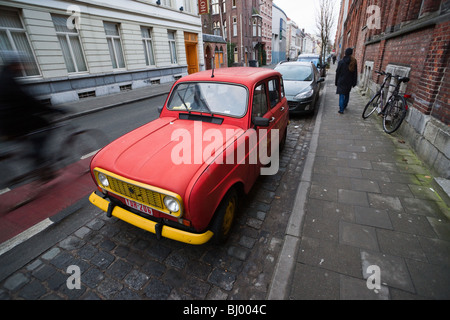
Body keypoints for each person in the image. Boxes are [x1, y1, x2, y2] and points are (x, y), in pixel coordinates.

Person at [0, 51, 63, 181]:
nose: (23, 67)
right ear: (15, 65)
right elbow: (28, 100)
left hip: (8, 120)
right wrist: (54, 110)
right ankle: (39, 163)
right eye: (21, 65)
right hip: (13, 121)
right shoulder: (10, 80)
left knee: (34, 131)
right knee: (45, 126)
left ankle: (35, 157)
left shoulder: (5, 77)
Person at [335, 47, 358, 114]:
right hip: (349, 82)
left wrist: (336, 82)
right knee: (347, 94)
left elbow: (337, 73)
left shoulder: (341, 62)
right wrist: (354, 82)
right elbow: (355, 73)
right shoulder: (354, 62)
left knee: (341, 95)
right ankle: (344, 105)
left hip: (341, 81)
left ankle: (341, 109)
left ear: (345, 53)